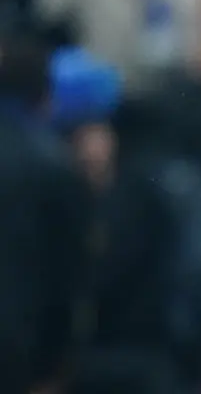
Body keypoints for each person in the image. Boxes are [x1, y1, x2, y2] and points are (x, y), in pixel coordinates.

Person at [0, 26, 94, 394]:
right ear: (46, 96)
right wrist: (55, 366)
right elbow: (66, 277)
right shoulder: (55, 167)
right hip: (18, 347)